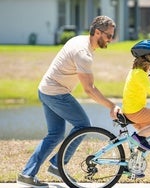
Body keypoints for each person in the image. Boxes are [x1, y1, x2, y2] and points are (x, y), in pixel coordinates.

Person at [17, 15, 120, 187]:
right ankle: (57, 166)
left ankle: (28, 175)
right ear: (97, 32)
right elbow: (89, 89)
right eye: (109, 36)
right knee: (83, 125)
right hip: (56, 93)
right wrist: (112, 106)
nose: (111, 39)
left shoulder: (80, 41)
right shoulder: (83, 53)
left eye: (112, 36)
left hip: (46, 89)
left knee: (55, 134)